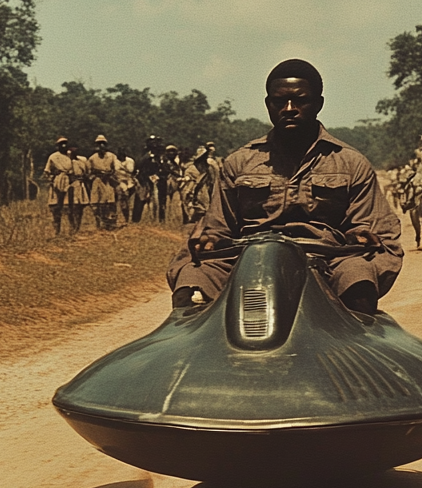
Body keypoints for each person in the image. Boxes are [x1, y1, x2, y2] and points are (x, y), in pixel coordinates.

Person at [167, 59, 403, 315]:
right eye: (279, 102)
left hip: (328, 258)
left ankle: (358, 350)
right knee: (192, 282)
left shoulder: (351, 163)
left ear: (318, 104)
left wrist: (359, 237)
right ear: (269, 105)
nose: (289, 109)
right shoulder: (239, 162)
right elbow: (218, 226)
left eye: (300, 100)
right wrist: (210, 241)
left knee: (359, 281)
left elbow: (375, 228)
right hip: (247, 257)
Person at [42, 136, 74, 234]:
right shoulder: (53, 157)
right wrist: (51, 179)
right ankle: (57, 230)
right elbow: (46, 171)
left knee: (69, 206)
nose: (63, 146)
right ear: (57, 146)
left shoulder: (70, 156)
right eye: (61, 144)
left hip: (68, 181)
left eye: (65, 143)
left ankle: (71, 229)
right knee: (56, 207)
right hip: (57, 181)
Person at [87, 135, 119, 230]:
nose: (101, 146)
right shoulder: (92, 158)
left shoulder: (111, 156)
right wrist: (96, 176)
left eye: (103, 144)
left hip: (109, 181)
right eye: (99, 144)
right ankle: (99, 223)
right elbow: (88, 173)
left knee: (110, 202)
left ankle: (111, 223)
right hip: (97, 181)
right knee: (97, 203)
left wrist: (110, 174)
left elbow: (116, 168)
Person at [68, 143, 90, 233]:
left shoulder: (82, 161)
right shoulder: (66, 162)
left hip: (80, 184)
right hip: (69, 185)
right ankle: (72, 226)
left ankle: (77, 226)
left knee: (79, 206)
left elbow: (87, 172)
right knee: (70, 207)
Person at [114, 148, 136, 224]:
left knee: (129, 203)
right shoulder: (115, 162)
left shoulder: (130, 161)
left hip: (130, 182)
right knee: (121, 201)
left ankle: (128, 219)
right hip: (119, 182)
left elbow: (132, 171)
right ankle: (121, 218)